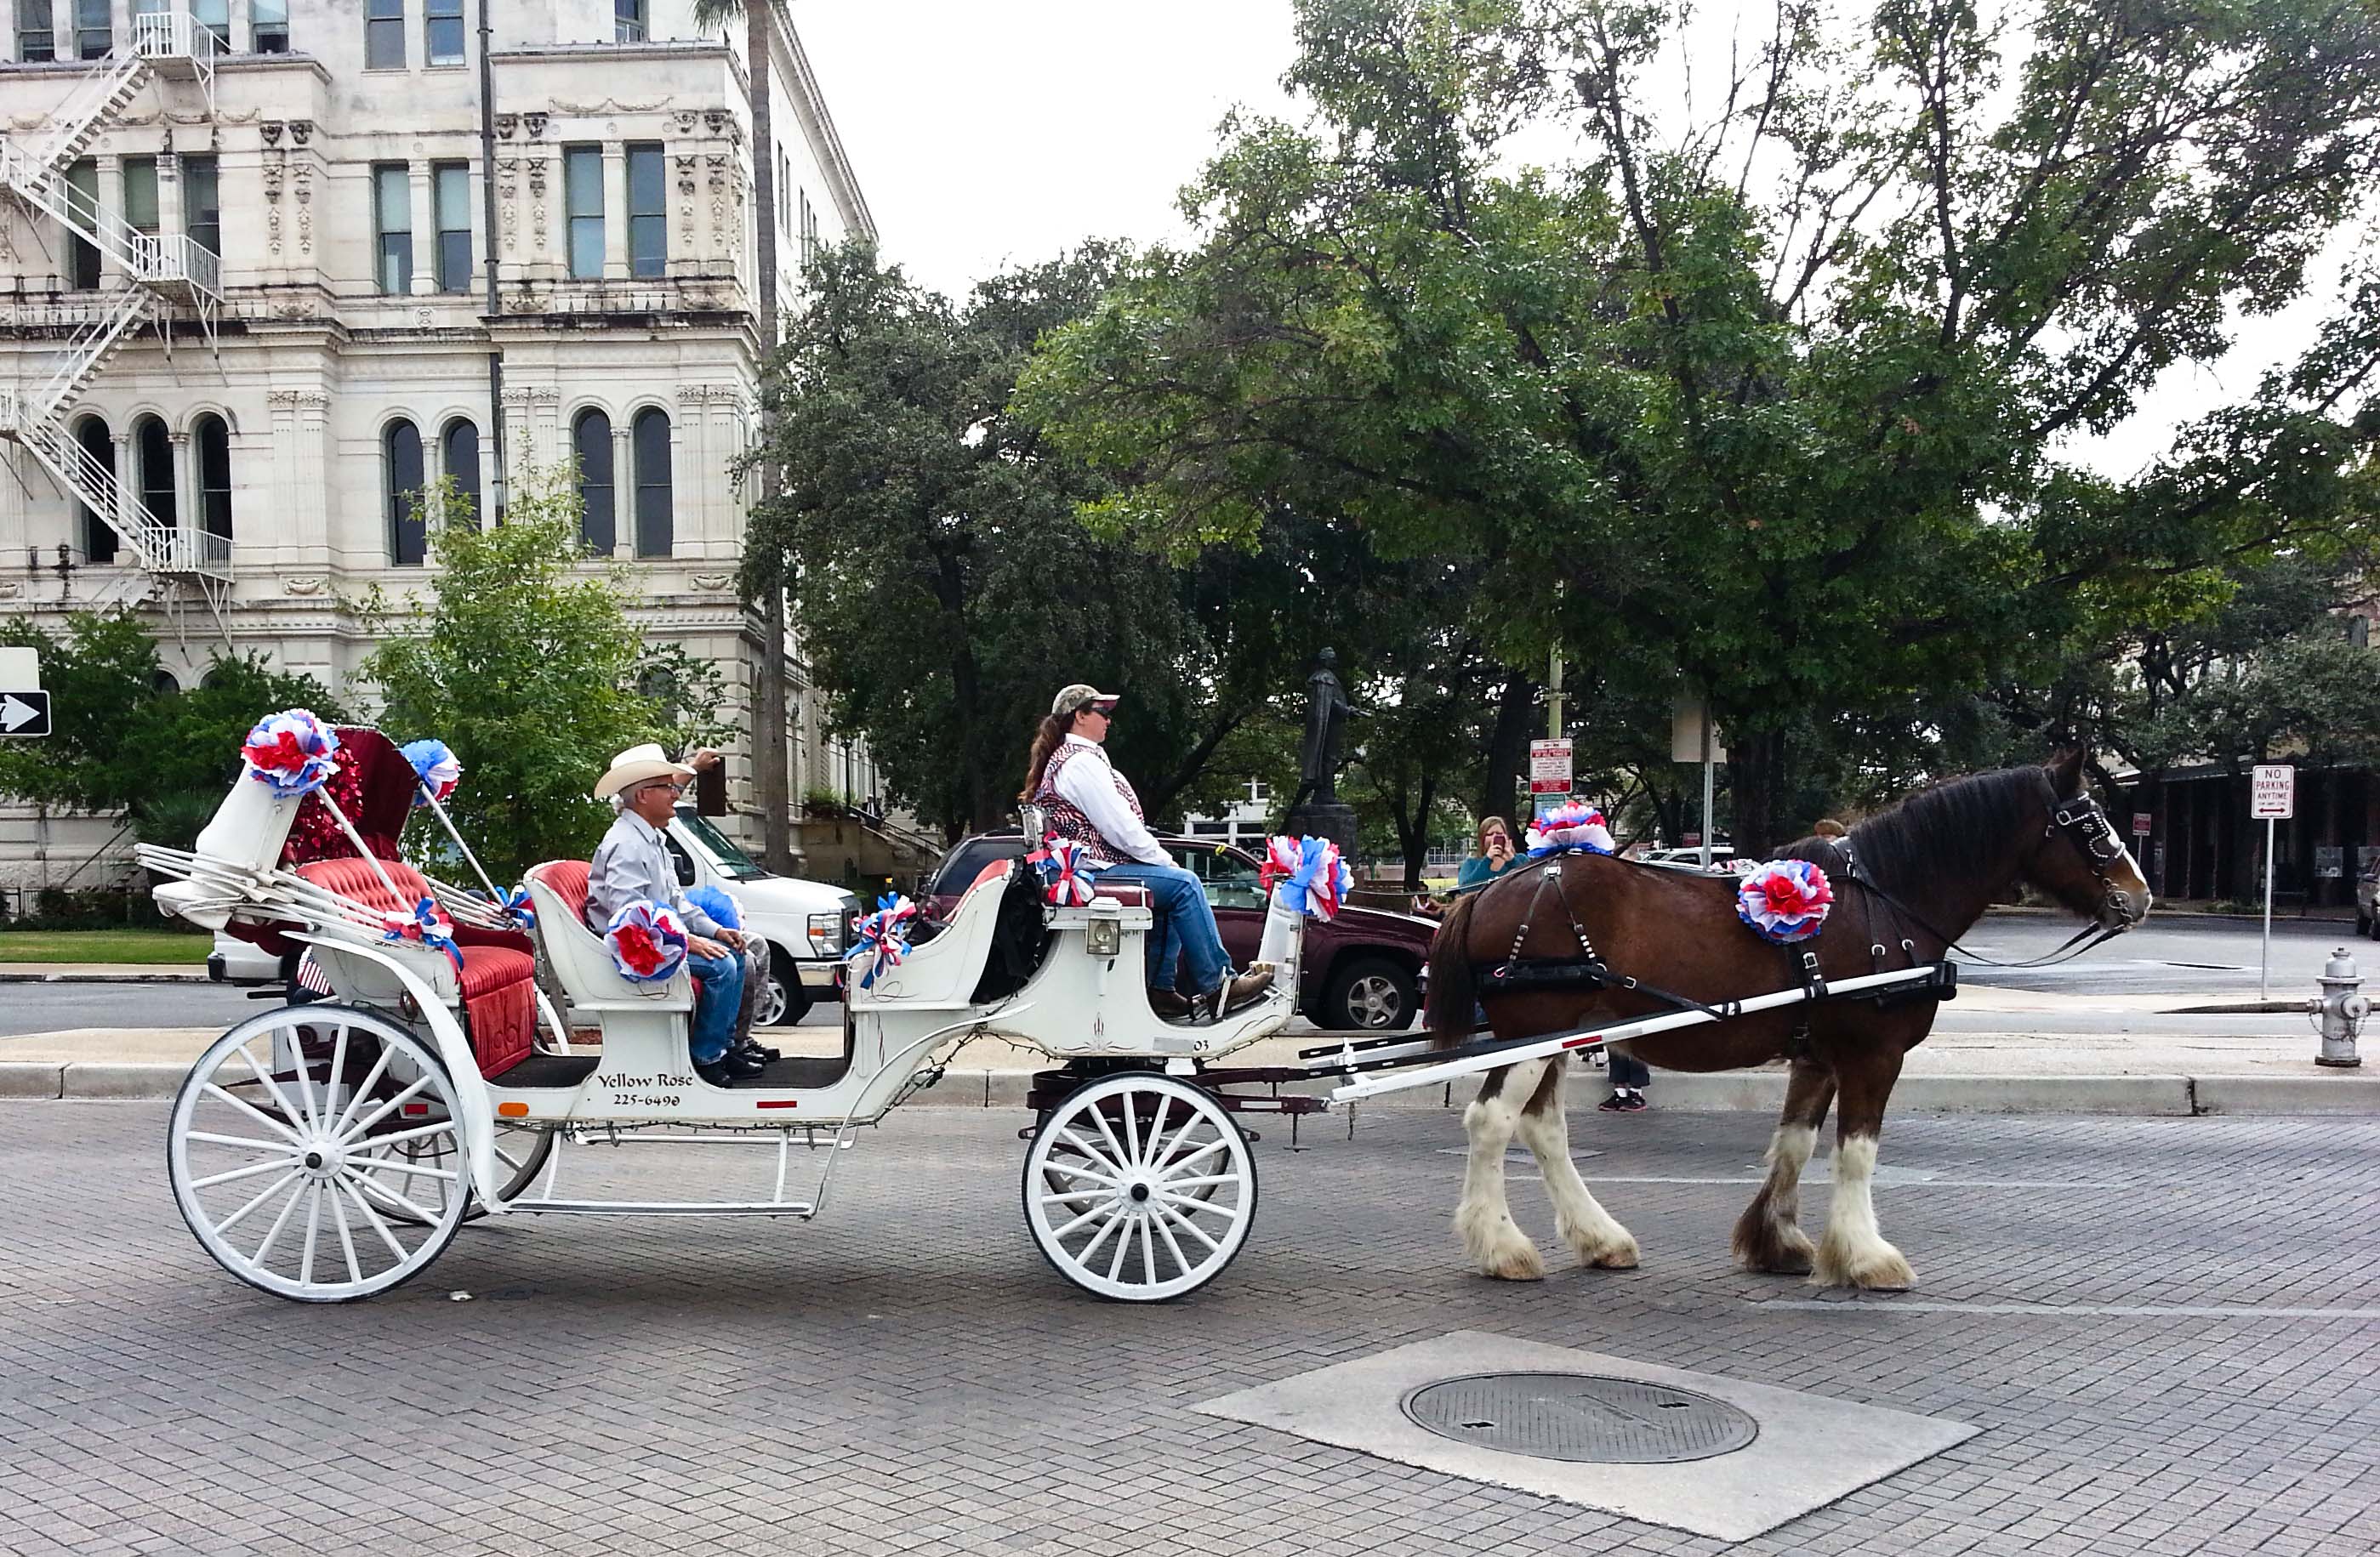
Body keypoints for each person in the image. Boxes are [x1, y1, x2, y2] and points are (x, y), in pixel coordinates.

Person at [1022, 684, 1273, 1022]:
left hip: (1086, 869)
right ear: (1080, 716)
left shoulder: (1073, 759)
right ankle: (1218, 985)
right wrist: (1164, 861)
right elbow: (1120, 828)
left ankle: (1160, 989)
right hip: (1089, 873)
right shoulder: (1080, 763)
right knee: (1184, 885)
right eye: (1102, 712)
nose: (1109, 720)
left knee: (1172, 888)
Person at [589, 743, 766, 1088]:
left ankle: (726, 1046)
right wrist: (690, 942)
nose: (675, 794)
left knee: (739, 951)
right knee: (723, 965)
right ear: (643, 795)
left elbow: (677, 903)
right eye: (667, 787)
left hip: (653, 940)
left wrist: (715, 931)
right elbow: (631, 921)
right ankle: (706, 1057)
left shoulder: (649, 837)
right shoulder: (626, 845)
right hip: (628, 952)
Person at [1456, 815, 1523, 895]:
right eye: (1490, 834)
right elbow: (1465, 890)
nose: (1494, 837)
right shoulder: (1471, 863)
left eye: (1499, 834)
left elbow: (1529, 883)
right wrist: (1487, 860)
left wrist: (1512, 861)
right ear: (1482, 839)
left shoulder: (1521, 859)